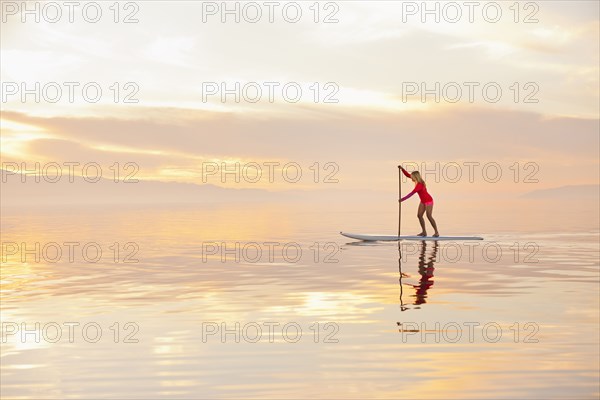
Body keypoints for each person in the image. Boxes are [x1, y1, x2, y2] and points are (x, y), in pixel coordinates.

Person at [399, 165, 440, 237]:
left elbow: (411, 194)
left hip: (428, 201)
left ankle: (436, 232)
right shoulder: (416, 181)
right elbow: (408, 175)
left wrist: (402, 199)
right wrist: (402, 169)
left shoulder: (419, 185)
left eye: (412, 177)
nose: (411, 178)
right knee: (419, 215)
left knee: (429, 216)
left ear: (415, 177)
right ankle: (424, 232)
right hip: (423, 201)